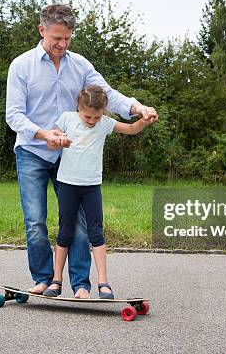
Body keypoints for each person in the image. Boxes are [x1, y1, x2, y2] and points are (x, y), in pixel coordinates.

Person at [5, 4, 158, 298]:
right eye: (56, 38)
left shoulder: (80, 65)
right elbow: (14, 115)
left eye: (68, 39)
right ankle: (43, 279)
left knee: (77, 222)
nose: (62, 45)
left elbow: (107, 95)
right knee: (36, 220)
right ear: (42, 31)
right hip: (32, 151)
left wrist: (137, 108)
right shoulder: (21, 66)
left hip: (68, 157)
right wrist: (43, 133)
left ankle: (81, 285)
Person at [43, 86, 150, 299]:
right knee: (65, 232)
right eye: (88, 116)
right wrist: (57, 142)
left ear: (103, 112)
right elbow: (50, 143)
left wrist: (144, 121)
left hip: (91, 187)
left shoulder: (105, 124)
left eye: (97, 116)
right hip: (67, 185)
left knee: (96, 233)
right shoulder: (66, 119)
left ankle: (103, 283)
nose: (92, 121)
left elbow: (130, 129)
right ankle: (56, 281)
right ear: (78, 109)